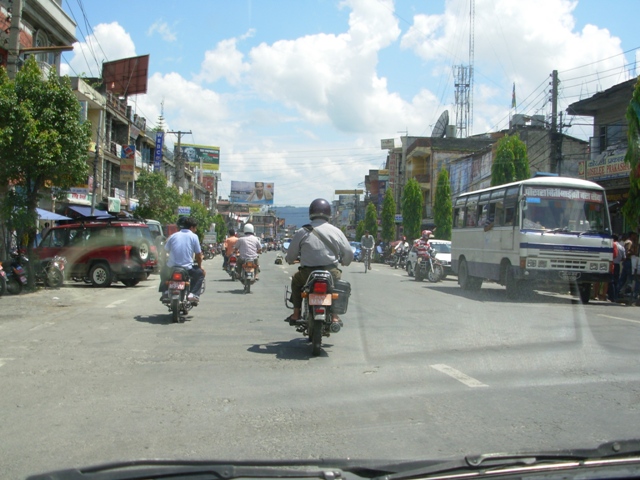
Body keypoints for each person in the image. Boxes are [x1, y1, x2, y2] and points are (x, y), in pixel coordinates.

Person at [284, 198, 353, 324]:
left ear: (311, 212)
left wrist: (290, 260)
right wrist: (345, 262)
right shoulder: (336, 231)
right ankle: (335, 316)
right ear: (328, 213)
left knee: (296, 280)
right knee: (335, 288)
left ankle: (296, 313)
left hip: (307, 274)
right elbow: (348, 253)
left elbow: (291, 255)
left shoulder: (302, 231)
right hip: (331, 273)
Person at [160, 216, 206, 303]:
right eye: (195, 228)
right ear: (191, 227)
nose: (195, 230)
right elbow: (198, 255)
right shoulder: (194, 236)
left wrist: (164, 263)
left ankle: (165, 291)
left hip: (171, 267)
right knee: (200, 274)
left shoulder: (173, 236)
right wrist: (200, 267)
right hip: (187, 269)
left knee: (163, 272)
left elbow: (164, 251)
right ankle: (193, 294)